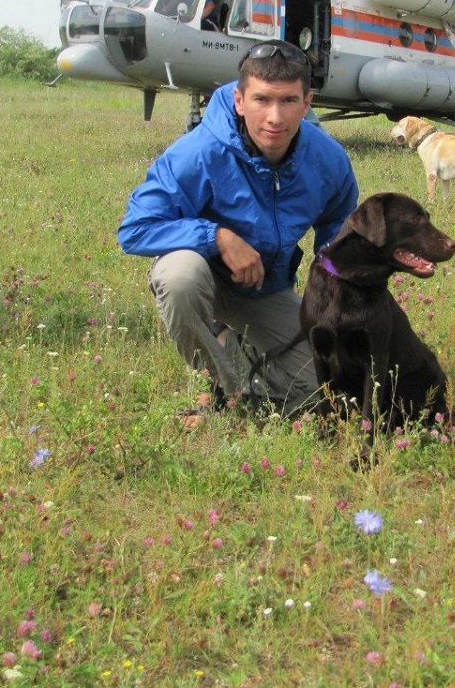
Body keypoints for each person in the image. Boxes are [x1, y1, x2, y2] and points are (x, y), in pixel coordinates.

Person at [118, 40, 359, 419]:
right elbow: (135, 229)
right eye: (262, 100)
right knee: (178, 274)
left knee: (328, 386)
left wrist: (336, 300)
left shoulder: (329, 160)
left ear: (307, 102)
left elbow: (338, 236)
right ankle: (219, 383)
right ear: (239, 100)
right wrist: (218, 237)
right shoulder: (197, 152)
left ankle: (233, 356)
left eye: (288, 101)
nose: (275, 118)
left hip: (265, 288)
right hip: (204, 283)